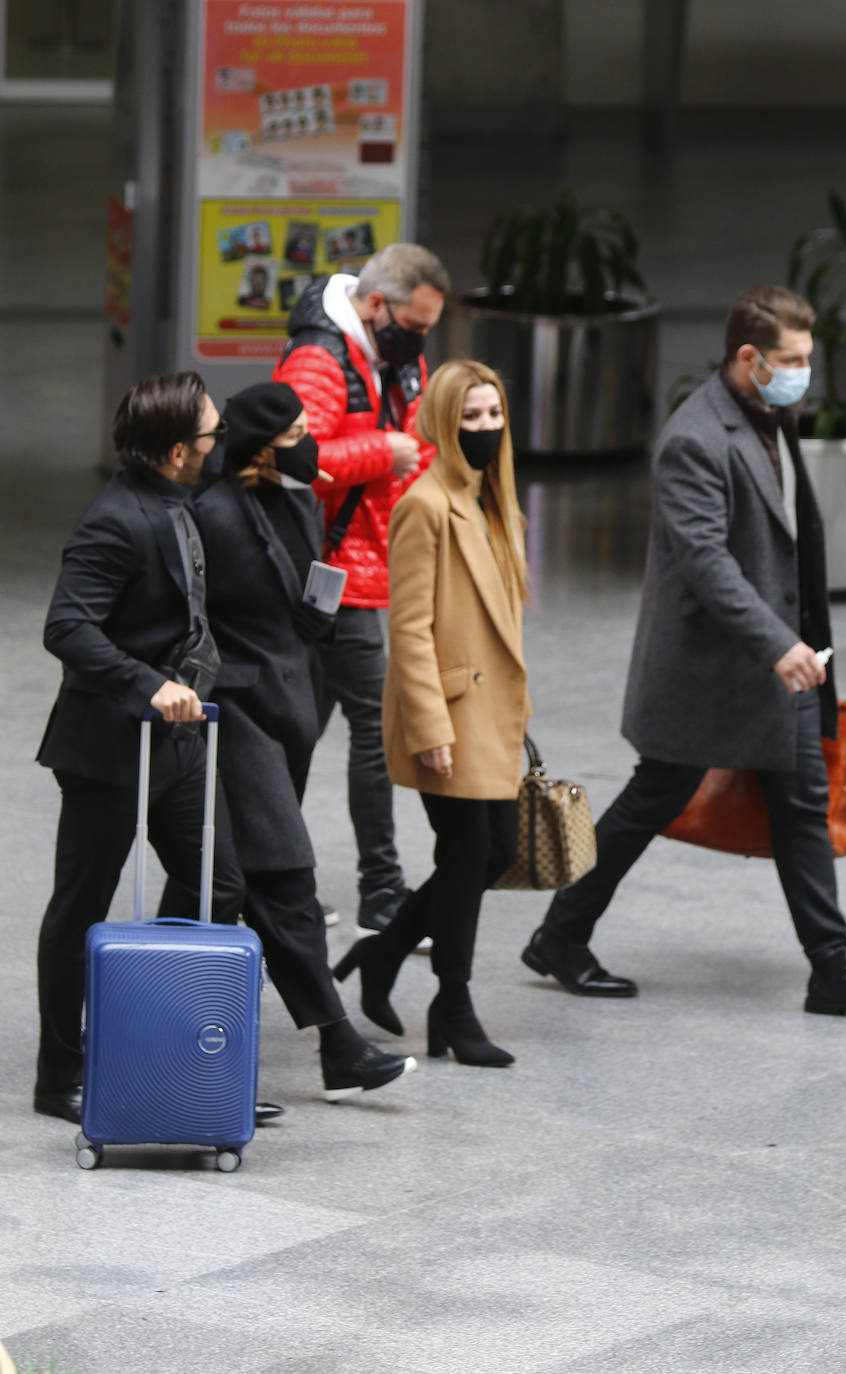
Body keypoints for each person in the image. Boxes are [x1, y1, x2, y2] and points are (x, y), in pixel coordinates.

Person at [521, 284, 846, 1021]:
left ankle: (832, 968)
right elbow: (705, 562)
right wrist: (778, 643)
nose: (805, 372)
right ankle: (561, 933)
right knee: (654, 798)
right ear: (748, 358)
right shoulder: (693, 440)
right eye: (792, 359)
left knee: (801, 808)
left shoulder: (775, 412)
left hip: (779, 665)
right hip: (713, 670)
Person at [160, 382, 417, 1099]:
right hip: (234, 712)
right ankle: (337, 1041)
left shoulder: (300, 500)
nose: (310, 442)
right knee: (283, 871)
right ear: (262, 446)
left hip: (287, 706)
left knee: (213, 878)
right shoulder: (208, 515)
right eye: (298, 431)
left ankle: (143, 1017)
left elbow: (305, 597)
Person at [33, 372, 255, 1125]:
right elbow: (67, 627)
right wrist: (146, 684)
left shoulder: (175, 500)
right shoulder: (114, 520)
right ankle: (60, 1075)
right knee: (80, 908)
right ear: (174, 453)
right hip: (109, 749)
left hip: (181, 743)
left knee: (216, 887)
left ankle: (174, 1047)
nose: (218, 446)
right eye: (210, 436)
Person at [334, 361, 530, 1065]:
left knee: (494, 852)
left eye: (492, 414)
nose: (484, 428)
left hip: (488, 710)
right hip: (444, 714)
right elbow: (409, 626)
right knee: (470, 852)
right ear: (443, 424)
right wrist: (430, 729)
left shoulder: (493, 498)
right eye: (469, 417)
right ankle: (453, 1001)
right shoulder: (425, 504)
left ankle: (382, 953)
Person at [272, 242, 450, 933]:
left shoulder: (394, 358)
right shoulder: (320, 361)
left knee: (296, 731)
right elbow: (291, 463)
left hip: (366, 568)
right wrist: (384, 453)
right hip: (329, 577)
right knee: (374, 733)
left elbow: (419, 440)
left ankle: (273, 880)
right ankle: (382, 891)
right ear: (377, 306)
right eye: (417, 323)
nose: (423, 338)